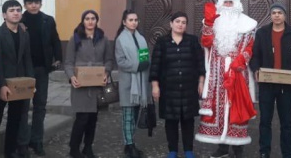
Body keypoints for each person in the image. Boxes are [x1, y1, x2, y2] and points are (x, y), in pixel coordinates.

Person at [196, 0, 257, 158]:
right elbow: (206, 43)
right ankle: (222, 147)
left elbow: (250, 47)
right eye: (225, 2)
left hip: (238, 72)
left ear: (237, 4)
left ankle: (238, 148)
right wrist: (208, 24)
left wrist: (239, 61)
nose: (228, 5)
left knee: (235, 106)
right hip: (216, 73)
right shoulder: (212, 21)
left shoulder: (248, 24)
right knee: (218, 107)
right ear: (220, 3)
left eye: (231, 2)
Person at [249, 2, 291, 158]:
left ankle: (287, 152)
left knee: (286, 122)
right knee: (265, 121)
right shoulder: (262, 33)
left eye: (280, 12)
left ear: (284, 15)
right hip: (266, 84)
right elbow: (255, 56)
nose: (277, 15)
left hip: (285, 86)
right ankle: (264, 151)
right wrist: (256, 70)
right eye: (274, 13)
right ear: (271, 15)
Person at [149, 12, 205, 158]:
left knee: (188, 120)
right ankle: (172, 150)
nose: (180, 24)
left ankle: (188, 150)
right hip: (169, 89)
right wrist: (155, 86)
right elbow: (155, 65)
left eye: (183, 22)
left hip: (189, 87)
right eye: (178, 21)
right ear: (171, 24)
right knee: (171, 120)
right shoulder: (162, 42)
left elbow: (200, 63)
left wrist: (201, 82)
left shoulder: (192, 41)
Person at [0, 0, 34, 158]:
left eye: (18, 10)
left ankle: (10, 151)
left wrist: (31, 83)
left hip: (19, 85)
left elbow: (27, 60)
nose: (16, 13)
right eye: (12, 10)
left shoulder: (24, 33)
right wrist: (2, 86)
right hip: (2, 85)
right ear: (4, 15)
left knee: (15, 119)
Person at [18, 0, 63, 157]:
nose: (33, 5)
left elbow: (55, 40)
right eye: (30, 2)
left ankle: (37, 141)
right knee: (23, 106)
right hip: (23, 70)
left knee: (40, 106)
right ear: (25, 5)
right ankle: (22, 142)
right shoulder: (19, 19)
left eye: (36, 2)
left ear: (41, 4)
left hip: (42, 68)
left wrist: (58, 58)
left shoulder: (48, 20)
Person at [64, 10, 113, 158]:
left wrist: (106, 73)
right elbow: (68, 62)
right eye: (87, 18)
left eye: (93, 18)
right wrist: (72, 77)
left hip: (97, 85)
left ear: (97, 21)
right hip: (80, 85)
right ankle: (74, 148)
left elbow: (109, 60)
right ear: (83, 21)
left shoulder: (103, 39)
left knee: (93, 118)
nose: (90, 21)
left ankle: (88, 147)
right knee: (82, 118)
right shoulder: (75, 38)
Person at [115, 10, 150, 158]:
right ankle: (129, 146)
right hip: (128, 83)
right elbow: (121, 62)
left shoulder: (140, 38)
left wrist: (145, 63)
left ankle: (130, 142)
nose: (134, 22)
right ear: (124, 22)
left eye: (136, 20)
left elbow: (145, 56)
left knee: (135, 115)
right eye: (130, 20)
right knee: (128, 116)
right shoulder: (120, 40)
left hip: (140, 82)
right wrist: (136, 66)